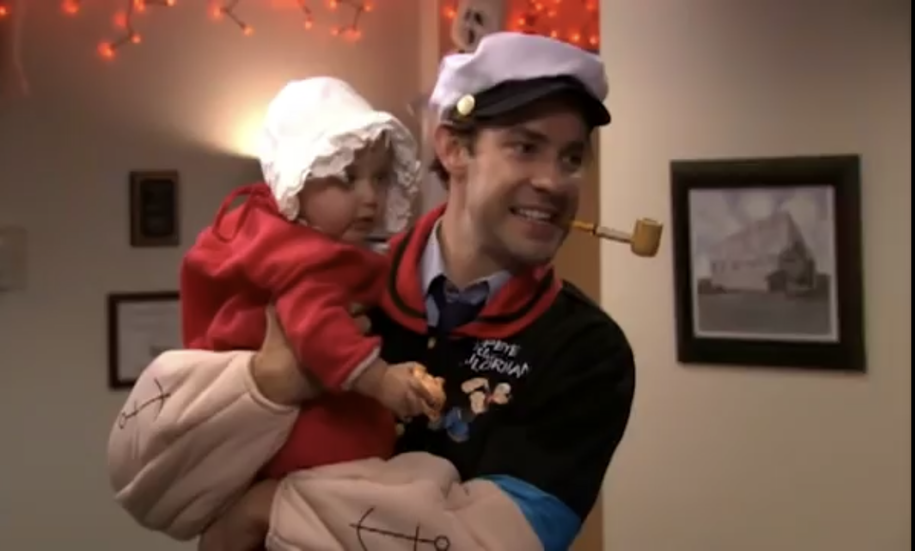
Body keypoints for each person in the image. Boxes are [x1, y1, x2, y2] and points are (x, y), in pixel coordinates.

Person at [108, 31, 635, 551]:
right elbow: (145, 482)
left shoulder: (587, 352)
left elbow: (494, 543)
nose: (554, 182)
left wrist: (262, 510)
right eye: (525, 147)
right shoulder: (331, 282)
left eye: (571, 158)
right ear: (454, 148)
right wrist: (266, 382)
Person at [107, 76, 445, 541]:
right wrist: (381, 380)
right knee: (385, 481)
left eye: (380, 178)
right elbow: (317, 330)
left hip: (273, 441)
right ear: (297, 182)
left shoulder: (274, 236)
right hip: (305, 439)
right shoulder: (305, 259)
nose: (370, 196)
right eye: (347, 177)